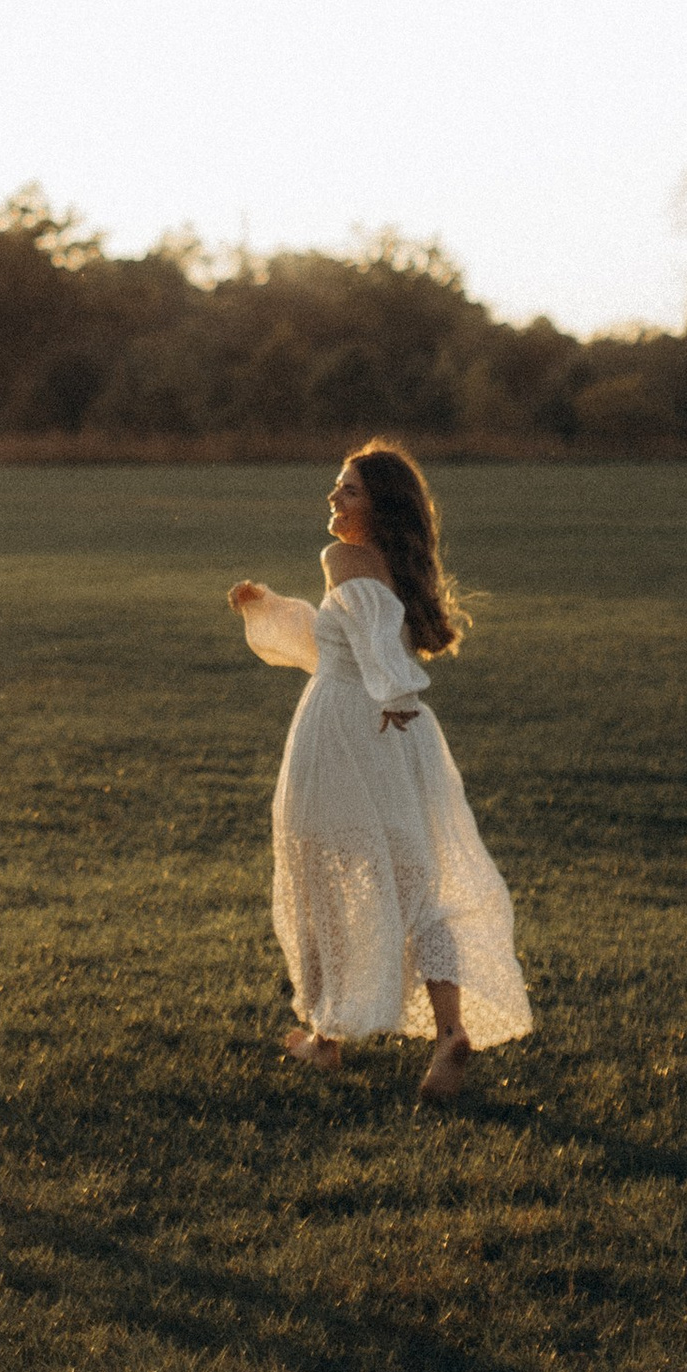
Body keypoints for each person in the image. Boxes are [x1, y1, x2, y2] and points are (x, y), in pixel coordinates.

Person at [227, 439, 529, 1101]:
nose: (334, 497)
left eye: (349, 489)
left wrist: (393, 689)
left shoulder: (342, 558)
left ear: (379, 506)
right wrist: (269, 608)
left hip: (345, 730)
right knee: (416, 878)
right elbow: (342, 641)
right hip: (402, 733)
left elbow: (367, 635)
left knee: (326, 870)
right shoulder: (395, 566)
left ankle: (325, 1037)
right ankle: (444, 1030)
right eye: (337, 485)